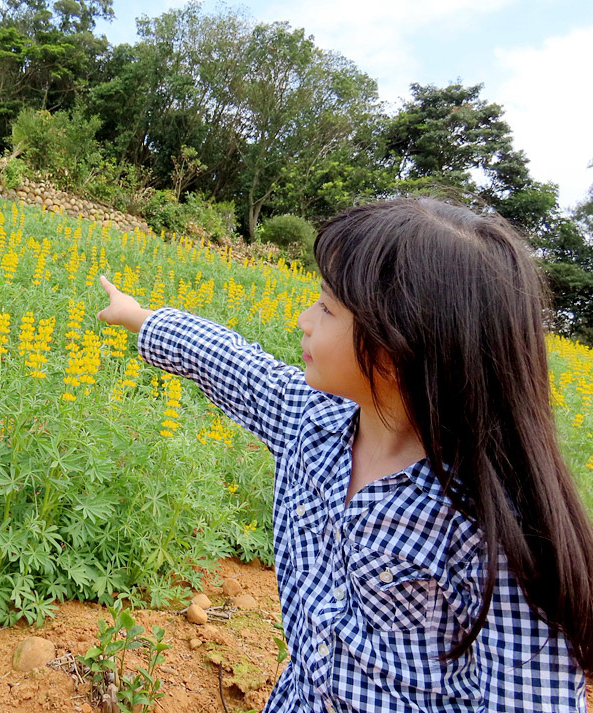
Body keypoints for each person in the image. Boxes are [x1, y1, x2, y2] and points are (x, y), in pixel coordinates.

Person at [96, 197, 593, 712]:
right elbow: (237, 367)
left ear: (399, 344)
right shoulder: (313, 421)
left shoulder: (494, 530)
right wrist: (141, 318)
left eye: (327, 308)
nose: (303, 319)